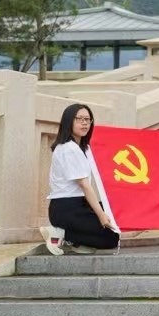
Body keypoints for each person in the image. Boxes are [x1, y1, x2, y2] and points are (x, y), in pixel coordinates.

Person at [42, 103, 119, 255]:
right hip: (67, 208)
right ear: (68, 121)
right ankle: (61, 234)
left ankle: (74, 242)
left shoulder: (78, 147)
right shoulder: (69, 148)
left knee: (115, 213)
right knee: (111, 238)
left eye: (88, 119)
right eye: (79, 119)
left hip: (76, 205)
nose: (84, 123)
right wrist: (101, 215)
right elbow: (84, 185)